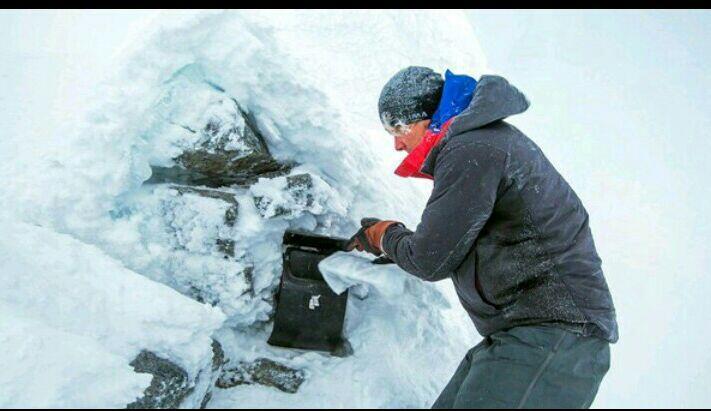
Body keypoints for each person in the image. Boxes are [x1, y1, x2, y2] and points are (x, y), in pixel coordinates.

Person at [348, 67, 618, 408]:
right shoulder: (481, 142)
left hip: (553, 335)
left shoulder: (471, 148)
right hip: (525, 337)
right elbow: (448, 246)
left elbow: (430, 259)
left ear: (431, 119)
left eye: (400, 128)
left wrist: (383, 234)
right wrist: (389, 241)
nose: (397, 142)